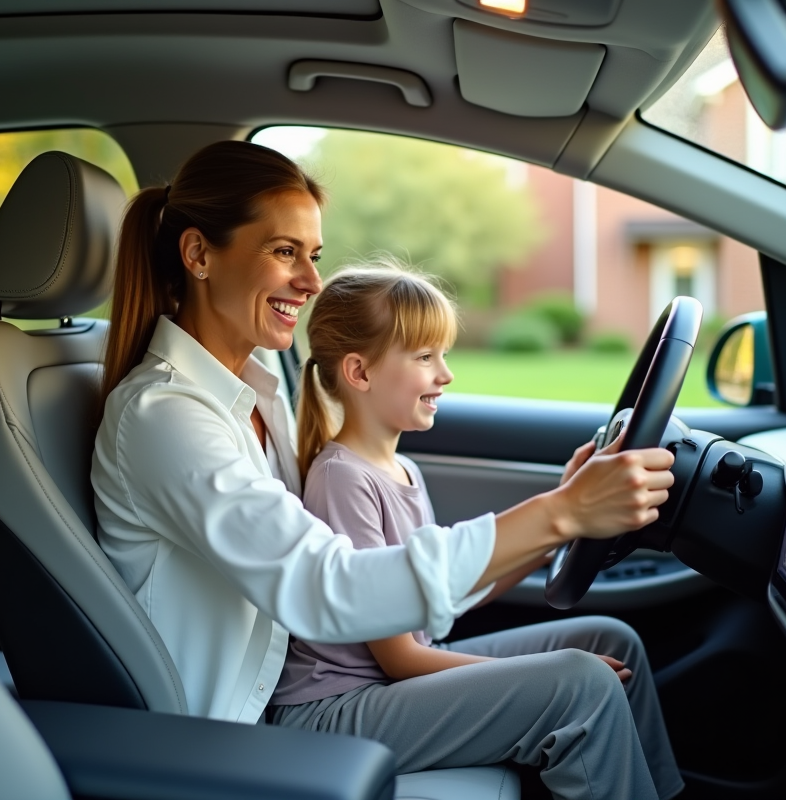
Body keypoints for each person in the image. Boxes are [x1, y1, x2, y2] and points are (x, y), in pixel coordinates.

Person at [91, 140, 679, 799]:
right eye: (285, 252)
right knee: (578, 684)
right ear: (199, 255)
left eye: (313, 256)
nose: (312, 282)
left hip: (318, 691)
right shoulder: (165, 416)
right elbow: (322, 585)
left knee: (610, 642)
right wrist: (561, 513)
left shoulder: (256, 392)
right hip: (231, 733)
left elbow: (392, 594)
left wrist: (561, 508)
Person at [269, 264, 682, 798]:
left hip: (387, 685)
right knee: (579, 679)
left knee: (609, 638)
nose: (446, 374)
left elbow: (449, 597)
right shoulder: (341, 478)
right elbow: (400, 657)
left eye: (443, 355)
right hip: (338, 710)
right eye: (424, 358)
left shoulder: (403, 471)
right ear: (360, 372)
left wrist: (553, 535)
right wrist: (532, 673)